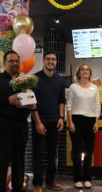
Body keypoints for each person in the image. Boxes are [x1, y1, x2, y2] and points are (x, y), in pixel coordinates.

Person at [0, 51, 35, 192]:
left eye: (17, 61)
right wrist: (8, 100)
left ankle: (18, 188)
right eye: (11, 61)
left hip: (21, 126)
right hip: (2, 126)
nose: (14, 63)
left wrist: (33, 104)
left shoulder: (26, 81)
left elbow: (32, 100)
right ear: (4, 63)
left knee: (19, 162)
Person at [31, 52, 65, 192]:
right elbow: (32, 103)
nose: (51, 61)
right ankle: (37, 184)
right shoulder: (34, 78)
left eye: (53, 59)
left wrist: (61, 118)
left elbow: (61, 101)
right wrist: (38, 123)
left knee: (52, 153)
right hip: (40, 122)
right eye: (48, 59)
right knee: (38, 153)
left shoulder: (60, 80)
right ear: (43, 61)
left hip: (55, 121)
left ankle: (51, 181)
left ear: (56, 62)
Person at [66, 63, 100, 189]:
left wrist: (96, 122)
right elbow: (69, 105)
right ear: (78, 72)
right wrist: (70, 122)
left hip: (91, 121)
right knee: (76, 151)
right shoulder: (73, 87)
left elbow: (97, 105)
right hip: (76, 120)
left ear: (90, 72)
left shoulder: (94, 88)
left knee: (89, 151)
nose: (85, 71)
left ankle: (87, 178)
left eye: (87, 69)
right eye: (83, 69)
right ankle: (77, 179)